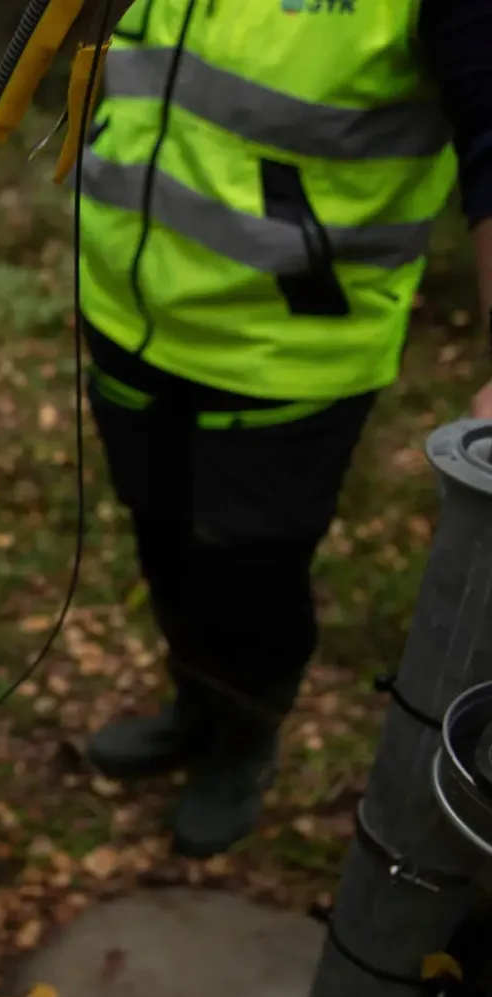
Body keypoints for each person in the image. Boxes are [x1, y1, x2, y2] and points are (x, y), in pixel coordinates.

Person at [76, 0, 492, 858]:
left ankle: (244, 742)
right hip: (125, 311)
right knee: (161, 540)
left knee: (251, 575)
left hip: (287, 352)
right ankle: (195, 709)